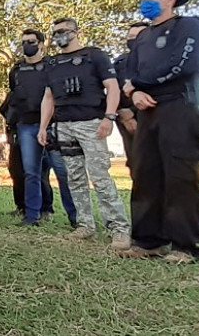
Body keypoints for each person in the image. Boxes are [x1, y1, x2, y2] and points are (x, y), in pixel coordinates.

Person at [120, 0, 199, 263]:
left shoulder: (190, 26)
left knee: (180, 176)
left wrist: (141, 85)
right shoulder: (143, 36)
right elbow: (129, 73)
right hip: (146, 111)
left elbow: (185, 65)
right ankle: (148, 241)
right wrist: (135, 94)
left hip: (178, 107)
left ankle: (185, 246)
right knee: (145, 174)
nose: (144, 0)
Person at [37, 18, 131, 250]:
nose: (59, 35)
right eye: (55, 32)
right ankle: (85, 224)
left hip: (91, 122)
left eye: (63, 31)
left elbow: (112, 87)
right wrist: (43, 126)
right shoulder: (52, 63)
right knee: (75, 177)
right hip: (64, 124)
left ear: (76, 32)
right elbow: (48, 97)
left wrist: (109, 117)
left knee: (100, 177)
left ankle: (118, 229)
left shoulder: (94, 55)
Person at [9, 29, 77, 227]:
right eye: (23, 42)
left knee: (62, 172)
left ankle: (76, 218)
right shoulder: (16, 70)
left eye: (31, 41)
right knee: (31, 172)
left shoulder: (52, 65)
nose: (27, 45)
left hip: (54, 125)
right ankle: (32, 216)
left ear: (41, 44)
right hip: (27, 126)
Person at [112, 22, 148, 171]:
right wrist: (125, 114)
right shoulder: (120, 61)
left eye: (139, 36)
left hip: (154, 116)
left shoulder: (162, 60)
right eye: (131, 37)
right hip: (126, 118)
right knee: (136, 163)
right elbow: (113, 88)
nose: (134, 40)